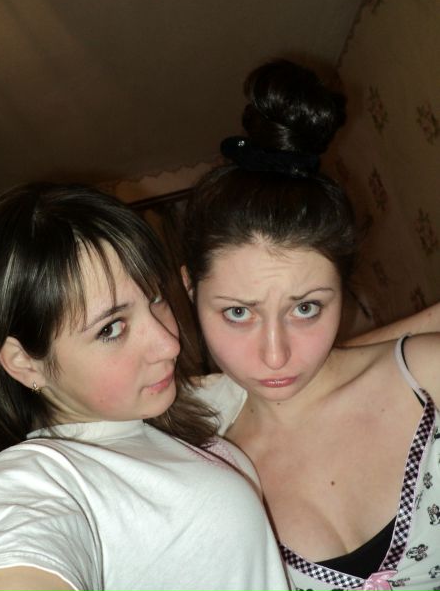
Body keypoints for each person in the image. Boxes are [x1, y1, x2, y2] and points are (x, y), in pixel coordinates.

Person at [181, 59, 440, 590]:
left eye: (305, 308)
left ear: (343, 290)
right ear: (191, 291)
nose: (275, 355)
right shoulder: (208, 477)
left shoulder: (428, 378)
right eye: (238, 312)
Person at [0, 182, 291, 591]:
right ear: (25, 362)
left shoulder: (158, 416)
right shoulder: (41, 478)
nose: (169, 344)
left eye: (154, 298)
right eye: (111, 328)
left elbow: (297, 371)